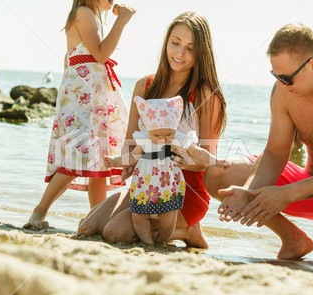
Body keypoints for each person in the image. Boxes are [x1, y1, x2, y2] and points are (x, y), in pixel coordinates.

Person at [203, 23, 313, 272]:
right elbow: (275, 154)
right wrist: (248, 192)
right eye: (275, 76)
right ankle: (293, 239)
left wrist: (286, 194)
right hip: (309, 185)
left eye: (286, 77)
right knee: (217, 174)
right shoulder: (286, 92)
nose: (281, 84)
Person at [77, 11, 227, 248]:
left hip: (182, 190)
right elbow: (131, 142)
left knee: (114, 233)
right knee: (86, 228)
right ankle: (178, 229)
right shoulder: (144, 85)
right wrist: (127, 164)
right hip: (145, 182)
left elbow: (205, 162)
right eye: (175, 43)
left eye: (190, 48)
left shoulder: (206, 95)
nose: (179, 53)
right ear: (167, 41)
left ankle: (188, 231)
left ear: (201, 52)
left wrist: (165, 157)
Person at [24, 0, 136, 230]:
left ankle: (98, 218)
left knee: (99, 162)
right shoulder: (84, 13)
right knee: (78, 156)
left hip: (91, 96)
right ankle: (39, 210)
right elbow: (101, 54)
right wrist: (122, 20)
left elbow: (71, 59)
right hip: (83, 98)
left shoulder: (90, 15)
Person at [104, 95, 199, 245]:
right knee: (138, 215)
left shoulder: (177, 140)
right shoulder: (144, 141)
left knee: (168, 217)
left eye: (168, 134)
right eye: (156, 135)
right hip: (144, 185)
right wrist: (115, 161)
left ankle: (161, 241)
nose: (162, 138)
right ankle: (148, 243)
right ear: (148, 129)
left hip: (168, 186)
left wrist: (215, 161)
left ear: (174, 129)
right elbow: (132, 157)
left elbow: (197, 153)